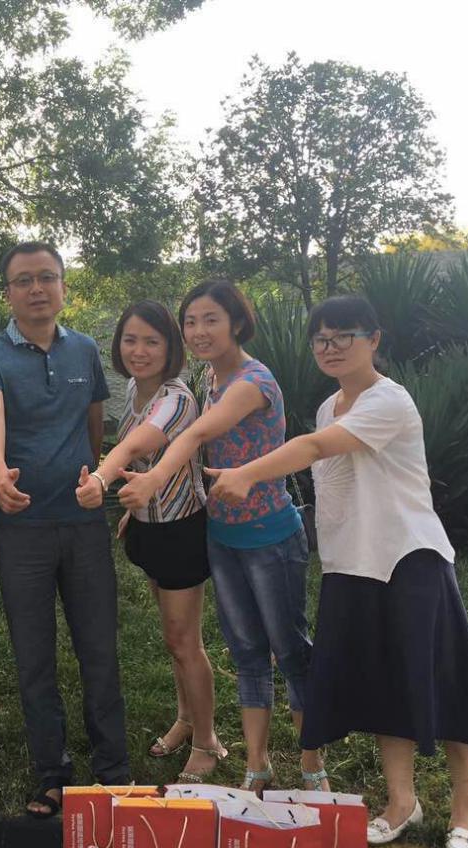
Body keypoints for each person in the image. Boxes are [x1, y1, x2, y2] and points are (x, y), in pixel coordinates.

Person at [207, 295, 468, 848]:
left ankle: (466, 807)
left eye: (344, 336)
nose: (331, 347)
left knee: (447, 684)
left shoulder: (389, 400)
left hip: (409, 557)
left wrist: (247, 473)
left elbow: (317, 448)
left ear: (374, 340)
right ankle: (402, 803)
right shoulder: (327, 406)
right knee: (386, 687)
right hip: (352, 567)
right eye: (321, 339)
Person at [119, 279, 328, 795]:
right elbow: (195, 456)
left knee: (290, 651)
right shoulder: (210, 378)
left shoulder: (252, 382)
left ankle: (311, 764)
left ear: (237, 322)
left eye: (210, 319)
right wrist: (146, 506)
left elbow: (195, 435)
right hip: (223, 535)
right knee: (246, 652)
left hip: (271, 537)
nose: (198, 331)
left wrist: (151, 480)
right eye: (190, 322)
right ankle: (257, 764)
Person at [0, 240, 130, 817]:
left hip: (83, 525)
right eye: (23, 280)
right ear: (8, 293)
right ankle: (52, 773)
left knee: (99, 649)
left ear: (62, 285)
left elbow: (94, 425)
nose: (36, 289)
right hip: (22, 529)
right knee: (34, 655)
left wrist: (91, 476)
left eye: (47, 277)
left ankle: (113, 770)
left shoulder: (84, 349)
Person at [74, 300, 222, 783]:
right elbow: (144, 465)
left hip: (180, 534)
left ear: (170, 347)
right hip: (150, 528)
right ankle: (185, 719)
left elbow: (136, 446)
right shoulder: (137, 391)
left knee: (185, 642)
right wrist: (133, 514)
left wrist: (100, 477)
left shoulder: (176, 398)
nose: (138, 351)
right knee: (174, 639)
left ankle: (207, 741)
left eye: (151, 342)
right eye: (130, 340)